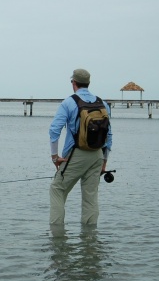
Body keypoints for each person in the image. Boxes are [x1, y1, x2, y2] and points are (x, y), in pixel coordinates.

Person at [48, 68, 113, 227]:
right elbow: (109, 136)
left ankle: (57, 238)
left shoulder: (69, 102)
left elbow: (54, 130)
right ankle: (90, 242)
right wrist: (104, 160)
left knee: (57, 189)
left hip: (76, 154)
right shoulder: (102, 103)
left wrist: (55, 157)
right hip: (97, 154)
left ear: (74, 83)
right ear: (88, 83)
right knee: (90, 196)